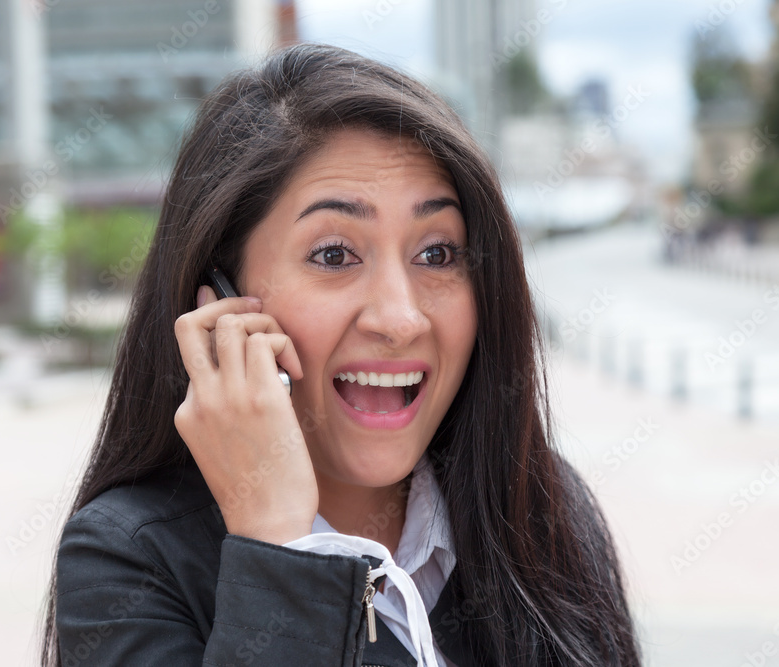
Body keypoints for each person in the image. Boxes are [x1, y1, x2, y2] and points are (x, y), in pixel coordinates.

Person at [41, 43, 642, 667]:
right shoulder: (129, 560)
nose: (400, 318)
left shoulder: (539, 509)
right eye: (334, 255)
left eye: (437, 253)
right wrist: (279, 547)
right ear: (221, 300)